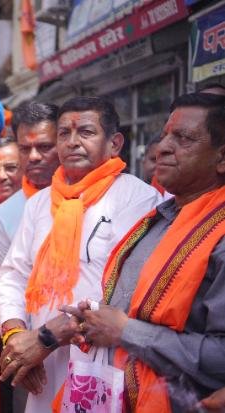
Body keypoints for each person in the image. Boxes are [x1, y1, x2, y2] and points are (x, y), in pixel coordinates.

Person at [62, 93, 225, 412]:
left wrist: (125, 331)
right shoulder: (159, 217)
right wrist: (96, 317)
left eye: (184, 138)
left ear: (222, 158)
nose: (163, 147)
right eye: (166, 135)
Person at [0, 96, 161, 412]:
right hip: (40, 366)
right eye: (64, 133)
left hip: (101, 363)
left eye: (85, 132)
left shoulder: (137, 199)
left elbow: (123, 291)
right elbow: (14, 275)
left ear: (114, 143)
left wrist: (45, 338)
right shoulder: (39, 204)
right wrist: (19, 338)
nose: (72, 142)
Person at [0, 101, 59, 266]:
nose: (33, 156)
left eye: (44, 147)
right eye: (25, 149)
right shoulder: (4, 216)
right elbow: (10, 283)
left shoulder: (90, 198)